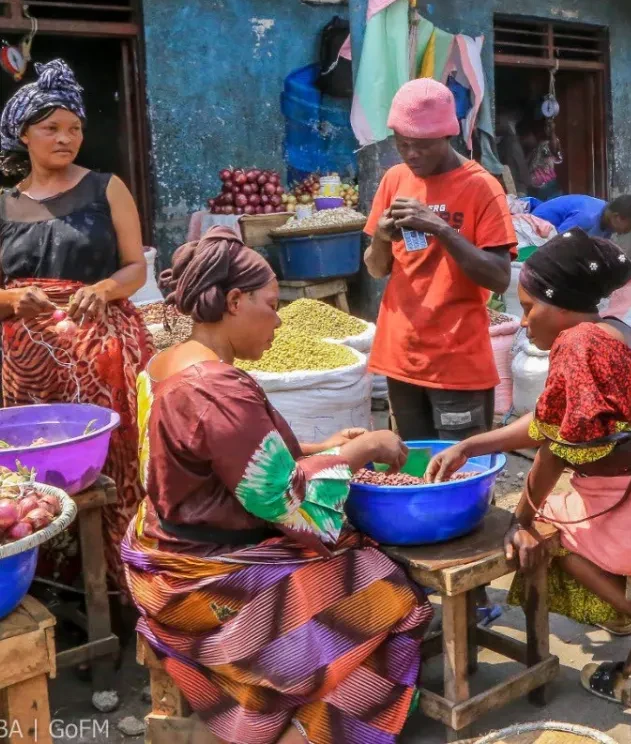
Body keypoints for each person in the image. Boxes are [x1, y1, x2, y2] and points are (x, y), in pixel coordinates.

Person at [124, 228, 430, 744]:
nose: (279, 320)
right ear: (234, 302)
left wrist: (318, 448)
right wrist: (359, 451)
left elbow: (218, 457)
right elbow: (279, 500)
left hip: (158, 553)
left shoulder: (165, 364)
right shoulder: (216, 388)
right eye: (271, 305)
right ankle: (306, 727)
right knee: (393, 593)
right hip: (205, 582)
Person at [425, 229, 631, 701]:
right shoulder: (613, 330)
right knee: (562, 508)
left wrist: (519, 522)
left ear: (560, 305)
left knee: (549, 530)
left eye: (528, 308)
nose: (523, 323)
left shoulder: (577, 347)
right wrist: (470, 446)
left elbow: (554, 451)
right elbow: (548, 420)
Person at [0, 59, 152, 592]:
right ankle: (44, 582)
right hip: (26, 370)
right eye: (51, 128)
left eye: (75, 128)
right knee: (31, 476)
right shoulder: (4, 205)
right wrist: (13, 299)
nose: (66, 138)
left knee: (110, 465)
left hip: (101, 356)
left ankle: (118, 579)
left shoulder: (106, 188)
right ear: (24, 134)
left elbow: (135, 267)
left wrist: (103, 289)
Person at [364, 79, 516, 442]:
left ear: (448, 135)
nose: (411, 155)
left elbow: (499, 277)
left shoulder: (481, 187)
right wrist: (382, 236)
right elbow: (376, 267)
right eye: (402, 145)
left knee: (460, 464)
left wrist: (441, 228)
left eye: (421, 146)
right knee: (414, 463)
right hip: (401, 355)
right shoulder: (394, 180)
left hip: (456, 359)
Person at [532, 193, 631, 238]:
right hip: (534, 229)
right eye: (630, 226)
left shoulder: (607, 222)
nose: (628, 231)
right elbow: (557, 242)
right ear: (617, 217)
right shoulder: (588, 218)